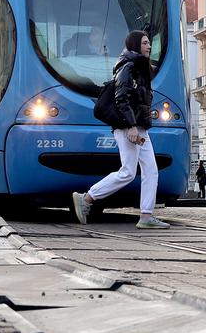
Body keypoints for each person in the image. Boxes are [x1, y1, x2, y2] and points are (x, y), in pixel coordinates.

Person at [72, 30, 169, 229]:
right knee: (127, 172)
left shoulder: (140, 66)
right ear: (135, 45)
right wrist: (131, 125)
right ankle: (87, 198)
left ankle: (146, 215)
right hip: (129, 126)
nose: (149, 46)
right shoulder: (128, 66)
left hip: (139, 126)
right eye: (144, 43)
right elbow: (122, 97)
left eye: (149, 43)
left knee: (151, 170)